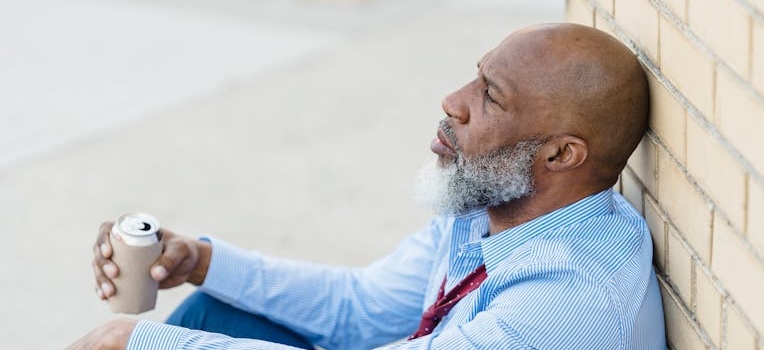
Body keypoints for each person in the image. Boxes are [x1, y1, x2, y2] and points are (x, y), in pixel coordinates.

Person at [68, 22, 666, 349]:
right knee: (222, 314)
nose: (453, 102)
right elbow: (360, 309)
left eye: (490, 97)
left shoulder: (572, 301)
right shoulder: (495, 214)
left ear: (561, 154)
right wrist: (200, 260)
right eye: (475, 77)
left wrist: (138, 344)